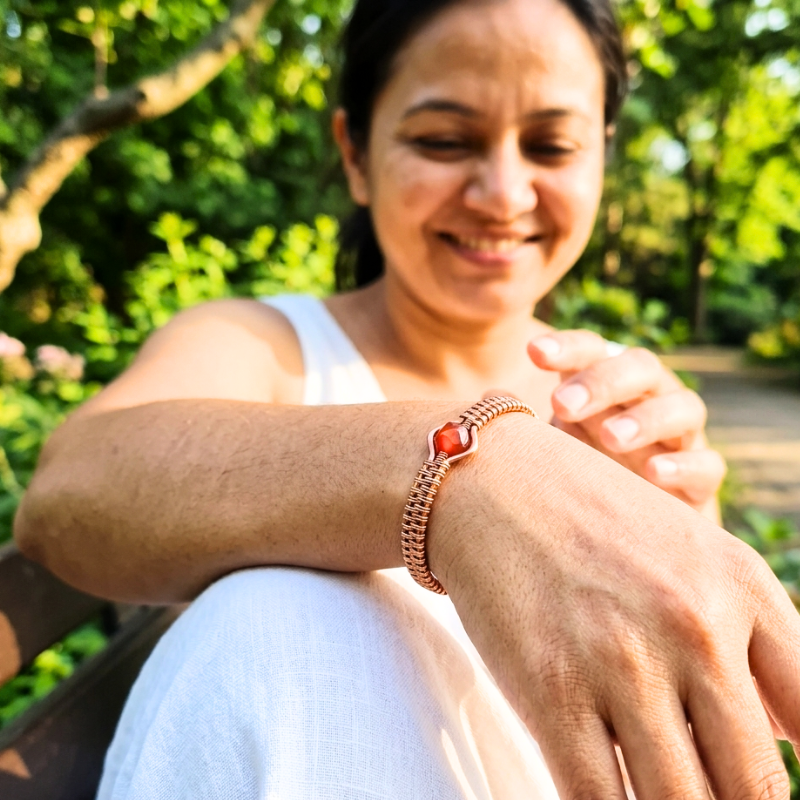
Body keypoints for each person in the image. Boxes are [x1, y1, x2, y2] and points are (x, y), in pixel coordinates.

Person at [13, 0, 800, 797]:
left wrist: (680, 541)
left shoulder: (615, 408)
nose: (502, 194)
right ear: (354, 153)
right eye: (444, 141)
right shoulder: (261, 347)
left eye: (552, 145)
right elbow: (68, 491)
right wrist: (468, 473)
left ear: (601, 156)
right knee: (279, 617)